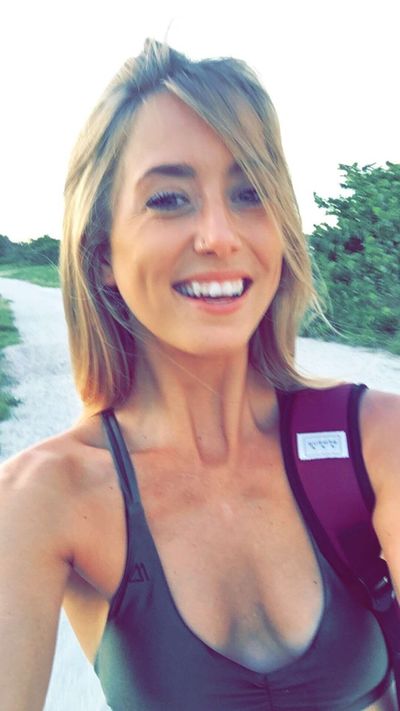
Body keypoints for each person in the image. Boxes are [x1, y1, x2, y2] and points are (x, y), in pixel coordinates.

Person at [0, 38, 399, 711]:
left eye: (250, 194)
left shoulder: (378, 440)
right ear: (102, 254)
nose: (219, 235)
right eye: (168, 199)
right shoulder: (40, 499)